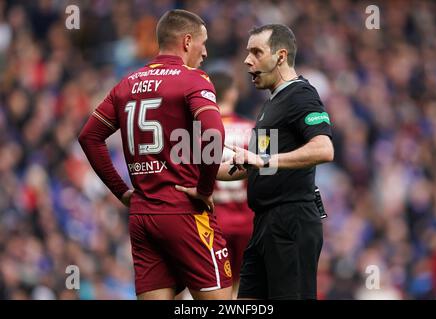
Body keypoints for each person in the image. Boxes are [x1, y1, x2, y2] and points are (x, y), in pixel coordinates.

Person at [78, 9, 232, 300]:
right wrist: (205, 188)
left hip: (143, 216)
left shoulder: (127, 83)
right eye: (203, 42)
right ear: (187, 42)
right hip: (184, 210)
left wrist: (123, 193)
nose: (206, 51)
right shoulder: (193, 79)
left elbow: (89, 136)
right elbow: (213, 133)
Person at [216, 24, 334, 299]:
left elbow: (324, 148)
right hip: (264, 224)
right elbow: (253, 166)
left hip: (291, 221)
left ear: (281, 56)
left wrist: (264, 158)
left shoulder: (301, 95)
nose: (247, 60)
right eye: (248, 53)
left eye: (256, 52)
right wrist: (196, 175)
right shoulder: (270, 106)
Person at [209, 71, 254, 299]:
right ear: (232, 94)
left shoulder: (200, 131)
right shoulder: (253, 128)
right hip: (248, 220)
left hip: (213, 222)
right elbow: (267, 172)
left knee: (214, 287)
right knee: (244, 288)